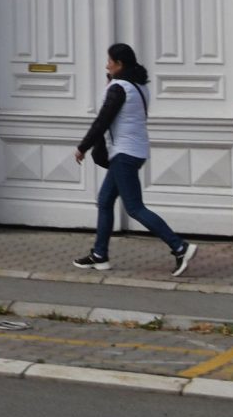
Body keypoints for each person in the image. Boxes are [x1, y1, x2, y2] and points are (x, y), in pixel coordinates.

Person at [71, 41, 196, 277]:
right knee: (105, 201)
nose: (106, 65)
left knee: (135, 208)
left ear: (119, 64)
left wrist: (83, 147)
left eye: (109, 61)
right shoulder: (139, 86)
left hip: (124, 154)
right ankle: (99, 255)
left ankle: (180, 246)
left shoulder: (119, 88)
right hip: (134, 152)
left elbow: (103, 121)